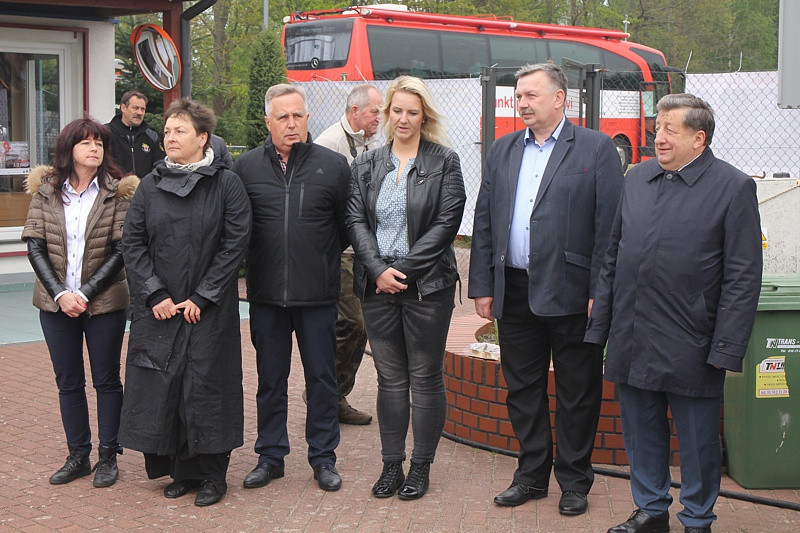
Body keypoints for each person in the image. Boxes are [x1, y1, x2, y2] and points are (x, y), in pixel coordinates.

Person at [586, 94, 763, 533]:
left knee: (698, 440)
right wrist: (601, 325)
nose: (657, 138)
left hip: (693, 338)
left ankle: (698, 518)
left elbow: (743, 278)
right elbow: (613, 255)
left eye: (669, 130)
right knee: (641, 431)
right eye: (657, 128)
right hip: (633, 331)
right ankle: (650, 510)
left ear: (699, 138)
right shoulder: (637, 178)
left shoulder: (733, 187)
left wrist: (726, 347)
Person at [468, 63, 624, 514]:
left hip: (573, 291)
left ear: (560, 99)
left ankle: (574, 482)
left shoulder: (595, 149)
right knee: (523, 389)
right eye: (518, 97)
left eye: (531, 96)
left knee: (577, 390)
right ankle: (532, 476)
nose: (522, 104)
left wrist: (601, 288)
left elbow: (610, 228)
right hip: (513, 290)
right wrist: (483, 283)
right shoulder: (502, 150)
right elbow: (484, 221)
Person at [119, 98, 251, 507]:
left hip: (207, 309)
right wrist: (155, 294)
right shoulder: (151, 185)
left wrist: (203, 295)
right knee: (165, 387)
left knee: (207, 388)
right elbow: (133, 242)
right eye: (168, 131)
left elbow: (235, 243)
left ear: (203, 137)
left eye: (180, 131)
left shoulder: (225, 183)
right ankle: (179, 471)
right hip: (158, 309)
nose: (170, 138)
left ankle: (212, 476)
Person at [348, 75, 466, 500]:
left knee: (426, 377)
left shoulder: (445, 162)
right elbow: (356, 220)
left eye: (412, 112)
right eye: (396, 110)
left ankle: (421, 467)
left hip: (427, 287)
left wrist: (406, 271)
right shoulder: (367, 163)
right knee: (389, 380)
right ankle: (391, 465)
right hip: (376, 286)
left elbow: (445, 225)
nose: (403, 118)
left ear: (423, 116)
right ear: (386, 114)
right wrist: (378, 269)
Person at [233, 84, 350, 493]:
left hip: (317, 295)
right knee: (270, 379)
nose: (291, 124)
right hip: (266, 296)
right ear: (268, 122)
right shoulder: (245, 168)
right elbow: (237, 229)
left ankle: (323, 458)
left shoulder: (333, 166)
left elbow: (345, 228)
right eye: (282, 117)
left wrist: (316, 256)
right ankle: (270, 456)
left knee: (322, 378)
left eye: (297, 115)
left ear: (307, 118)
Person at [22, 118, 138, 488]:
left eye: (100, 144)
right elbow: (35, 245)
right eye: (86, 142)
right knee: (68, 381)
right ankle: (78, 455)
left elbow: (121, 250)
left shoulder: (116, 192)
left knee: (106, 379)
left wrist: (85, 293)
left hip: (103, 301)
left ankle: (107, 456)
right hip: (55, 303)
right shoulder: (46, 192)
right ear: (68, 149)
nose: (94, 149)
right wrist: (60, 293)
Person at [314, 83, 383, 425]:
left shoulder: (373, 143)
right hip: (339, 249)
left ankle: (331, 394)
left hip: (365, 249)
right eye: (375, 112)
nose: (380, 119)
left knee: (361, 325)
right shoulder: (329, 144)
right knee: (352, 322)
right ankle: (326, 395)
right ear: (355, 111)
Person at [106, 90, 166, 177]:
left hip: (144, 189)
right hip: (113, 188)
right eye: (135, 108)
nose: (140, 113)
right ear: (123, 108)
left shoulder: (151, 136)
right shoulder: (107, 133)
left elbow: (160, 164)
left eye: (143, 109)